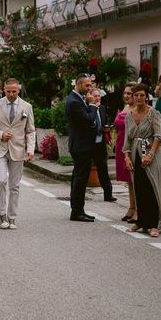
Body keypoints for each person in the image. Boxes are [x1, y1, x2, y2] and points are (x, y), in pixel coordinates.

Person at [124, 84, 161, 237]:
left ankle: (154, 223)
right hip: (135, 152)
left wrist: (150, 154)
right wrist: (127, 156)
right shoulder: (129, 115)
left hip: (149, 151)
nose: (139, 98)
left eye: (142, 95)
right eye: (136, 95)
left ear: (146, 96)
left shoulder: (153, 113)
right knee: (139, 187)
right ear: (133, 97)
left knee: (152, 186)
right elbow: (127, 138)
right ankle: (141, 221)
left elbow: (159, 135)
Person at [0, 78, 35, 229]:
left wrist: (30, 150)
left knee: (14, 186)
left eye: (14, 91)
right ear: (4, 90)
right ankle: (2, 215)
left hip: (18, 150)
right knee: (0, 181)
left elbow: (31, 130)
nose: (11, 94)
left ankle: (12, 217)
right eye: (8, 91)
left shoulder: (27, 107)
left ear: (18, 90)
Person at [65, 74, 97, 223]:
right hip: (80, 146)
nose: (90, 88)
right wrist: (92, 105)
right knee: (80, 179)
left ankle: (78, 210)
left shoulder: (77, 98)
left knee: (78, 179)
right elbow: (88, 119)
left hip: (81, 145)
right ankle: (77, 212)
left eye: (91, 85)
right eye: (87, 85)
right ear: (78, 84)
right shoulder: (74, 101)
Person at [114, 83, 137, 223]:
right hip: (121, 144)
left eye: (129, 93)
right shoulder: (126, 107)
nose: (126, 96)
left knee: (134, 179)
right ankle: (131, 207)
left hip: (131, 146)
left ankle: (138, 210)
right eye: (125, 93)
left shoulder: (137, 109)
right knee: (128, 180)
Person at [89, 88, 116, 203]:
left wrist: (106, 127)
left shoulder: (102, 108)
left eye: (99, 96)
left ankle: (108, 193)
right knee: (85, 168)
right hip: (90, 143)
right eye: (95, 96)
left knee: (103, 168)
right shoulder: (88, 108)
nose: (97, 98)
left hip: (100, 142)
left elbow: (105, 121)